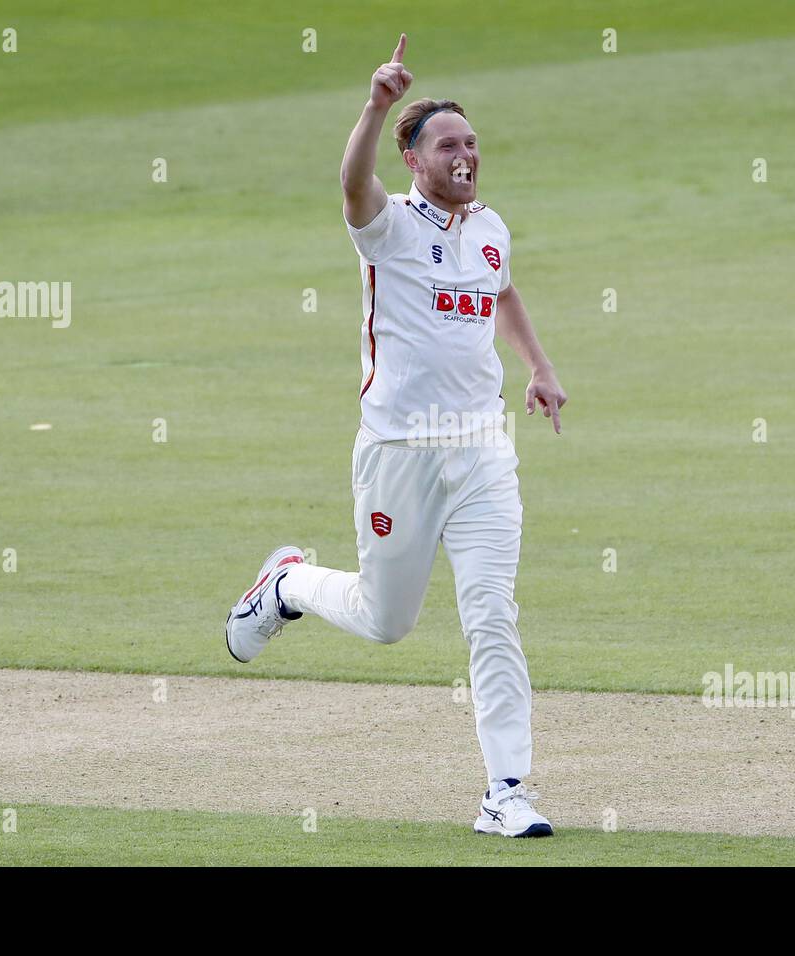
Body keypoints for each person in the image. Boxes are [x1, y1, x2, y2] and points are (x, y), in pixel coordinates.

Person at [226, 34, 567, 838]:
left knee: (491, 613)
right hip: (397, 454)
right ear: (413, 161)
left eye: (472, 142)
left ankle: (505, 792)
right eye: (448, 144)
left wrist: (539, 368)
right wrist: (376, 107)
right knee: (386, 621)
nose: (466, 155)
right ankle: (288, 584)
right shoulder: (387, 226)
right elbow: (350, 185)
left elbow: (503, 292)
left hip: (482, 450)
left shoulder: (491, 229)